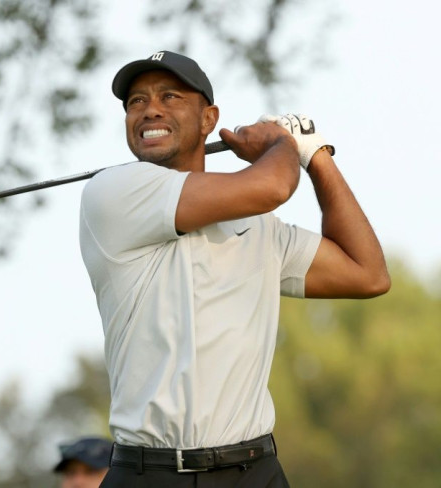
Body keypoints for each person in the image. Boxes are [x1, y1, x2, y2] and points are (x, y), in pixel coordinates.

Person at [78, 50, 390, 487]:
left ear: (209, 120)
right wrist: (283, 144)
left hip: (254, 473)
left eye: (170, 96)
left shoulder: (257, 226)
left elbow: (368, 273)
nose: (150, 109)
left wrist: (316, 155)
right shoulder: (113, 192)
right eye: (136, 101)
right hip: (151, 475)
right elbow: (273, 184)